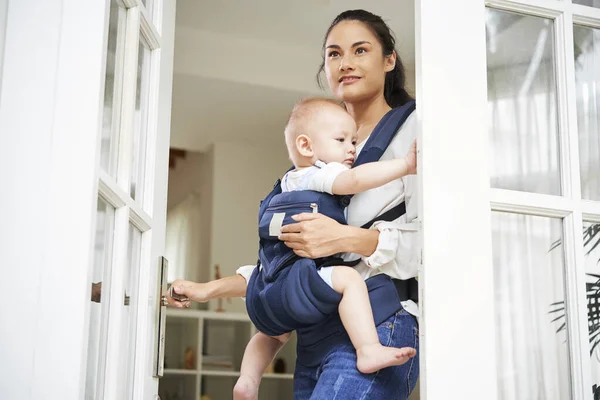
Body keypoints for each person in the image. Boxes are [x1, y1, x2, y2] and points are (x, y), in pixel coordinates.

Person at [167, 9, 420, 400]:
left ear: (389, 60)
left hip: (381, 319)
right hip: (314, 333)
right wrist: (206, 290)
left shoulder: (417, 132)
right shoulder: (309, 167)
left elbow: (432, 248)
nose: (346, 63)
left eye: (360, 50)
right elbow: (277, 269)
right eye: (334, 53)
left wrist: (345, 238)